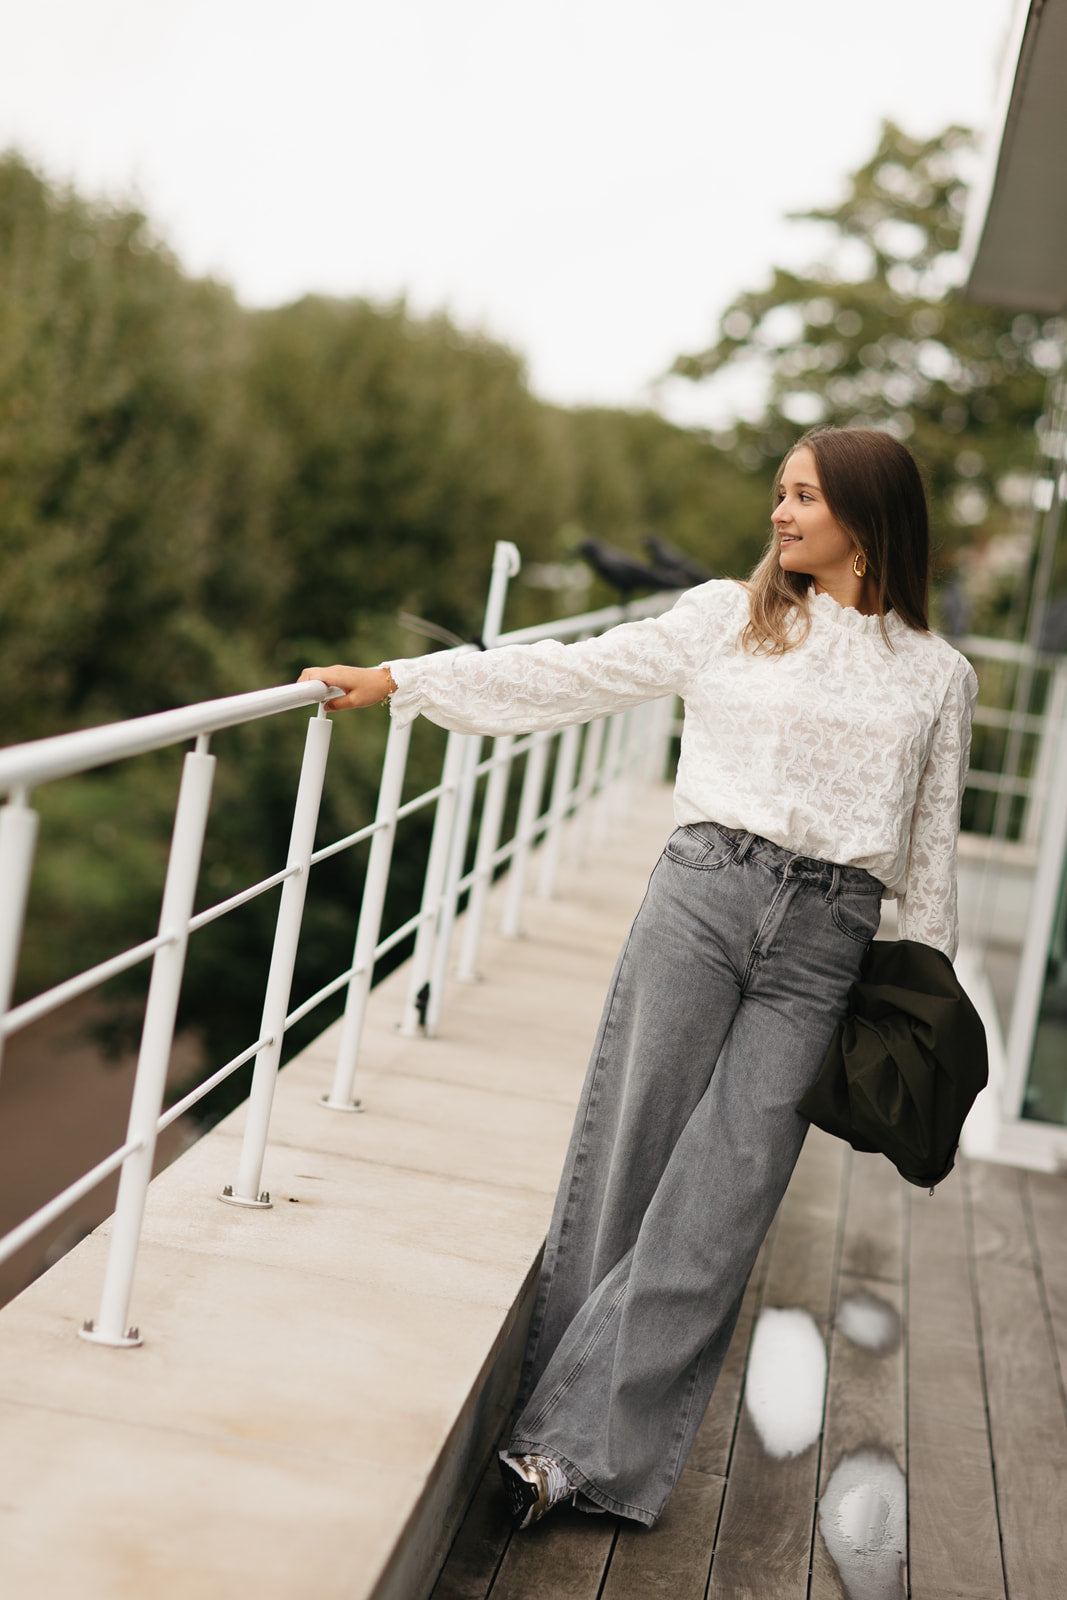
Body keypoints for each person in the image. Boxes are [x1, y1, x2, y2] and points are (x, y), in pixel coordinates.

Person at [299, 425, 978, 1531]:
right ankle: (559, 1453)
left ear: (867, 516)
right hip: (702, 896)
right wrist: (402, 680)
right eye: (779, 492)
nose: (779, 512)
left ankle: (568, 1444)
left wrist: (924, 1012)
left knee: (726, 1197)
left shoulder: (938, 675)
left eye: (803, 495)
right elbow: (574, 673)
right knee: (627, 1156)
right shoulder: (727, 615)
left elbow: (932, 855)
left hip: (827, 940)